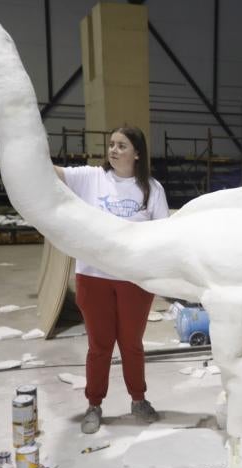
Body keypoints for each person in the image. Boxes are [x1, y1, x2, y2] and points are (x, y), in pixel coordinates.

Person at [53, 126, 169, 434]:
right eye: (112, 145)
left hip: (134, 281)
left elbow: (163, 236)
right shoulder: (92, 178)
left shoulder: (152, 189)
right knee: (99, 345)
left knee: (131, 344)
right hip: (93, 277)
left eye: (122, 145)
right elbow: (52, 174)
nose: (114, 150)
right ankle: (94, 404)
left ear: (137, 153)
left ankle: (138, 399)